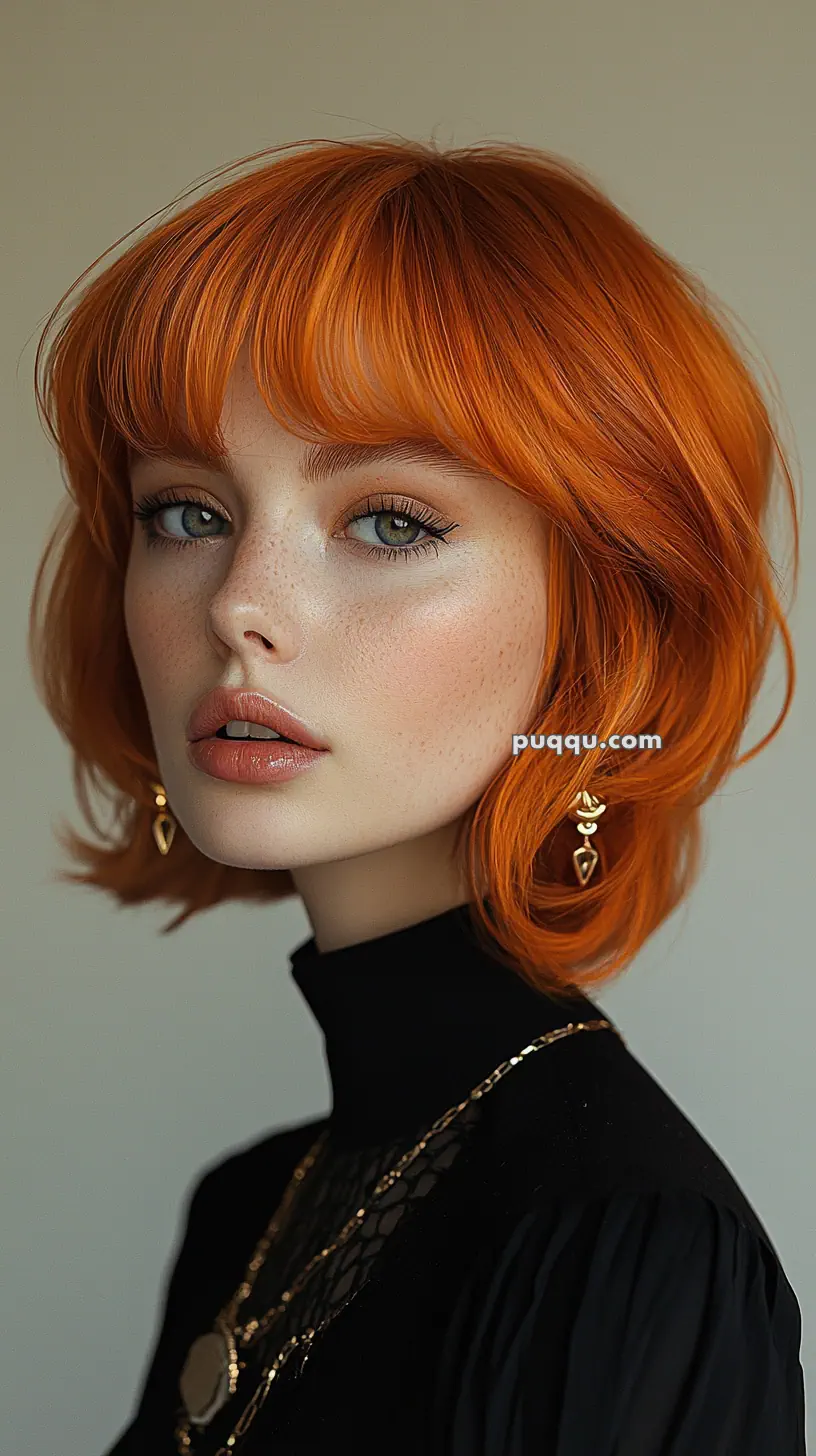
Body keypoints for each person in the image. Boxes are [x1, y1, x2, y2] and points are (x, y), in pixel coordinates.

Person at [29, 136, 806, 1454]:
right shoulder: (252, 1211)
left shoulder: (620, 1249)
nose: (239, 606)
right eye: (186, 512)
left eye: (388, 520)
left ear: (594, 624)